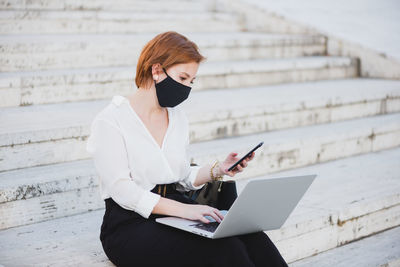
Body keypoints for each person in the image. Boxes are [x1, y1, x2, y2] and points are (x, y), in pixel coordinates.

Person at [86, 31, 288, 267]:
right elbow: (123, 192)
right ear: (157, 70)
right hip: (129, 225)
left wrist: (219, 169)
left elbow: (180, 177)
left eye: (191, 81)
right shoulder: (111, 120)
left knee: (253, 237)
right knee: (224, 249)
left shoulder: (177, 118)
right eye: (182, 78)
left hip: (175, 210)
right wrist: (185, 210)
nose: (186, 88)